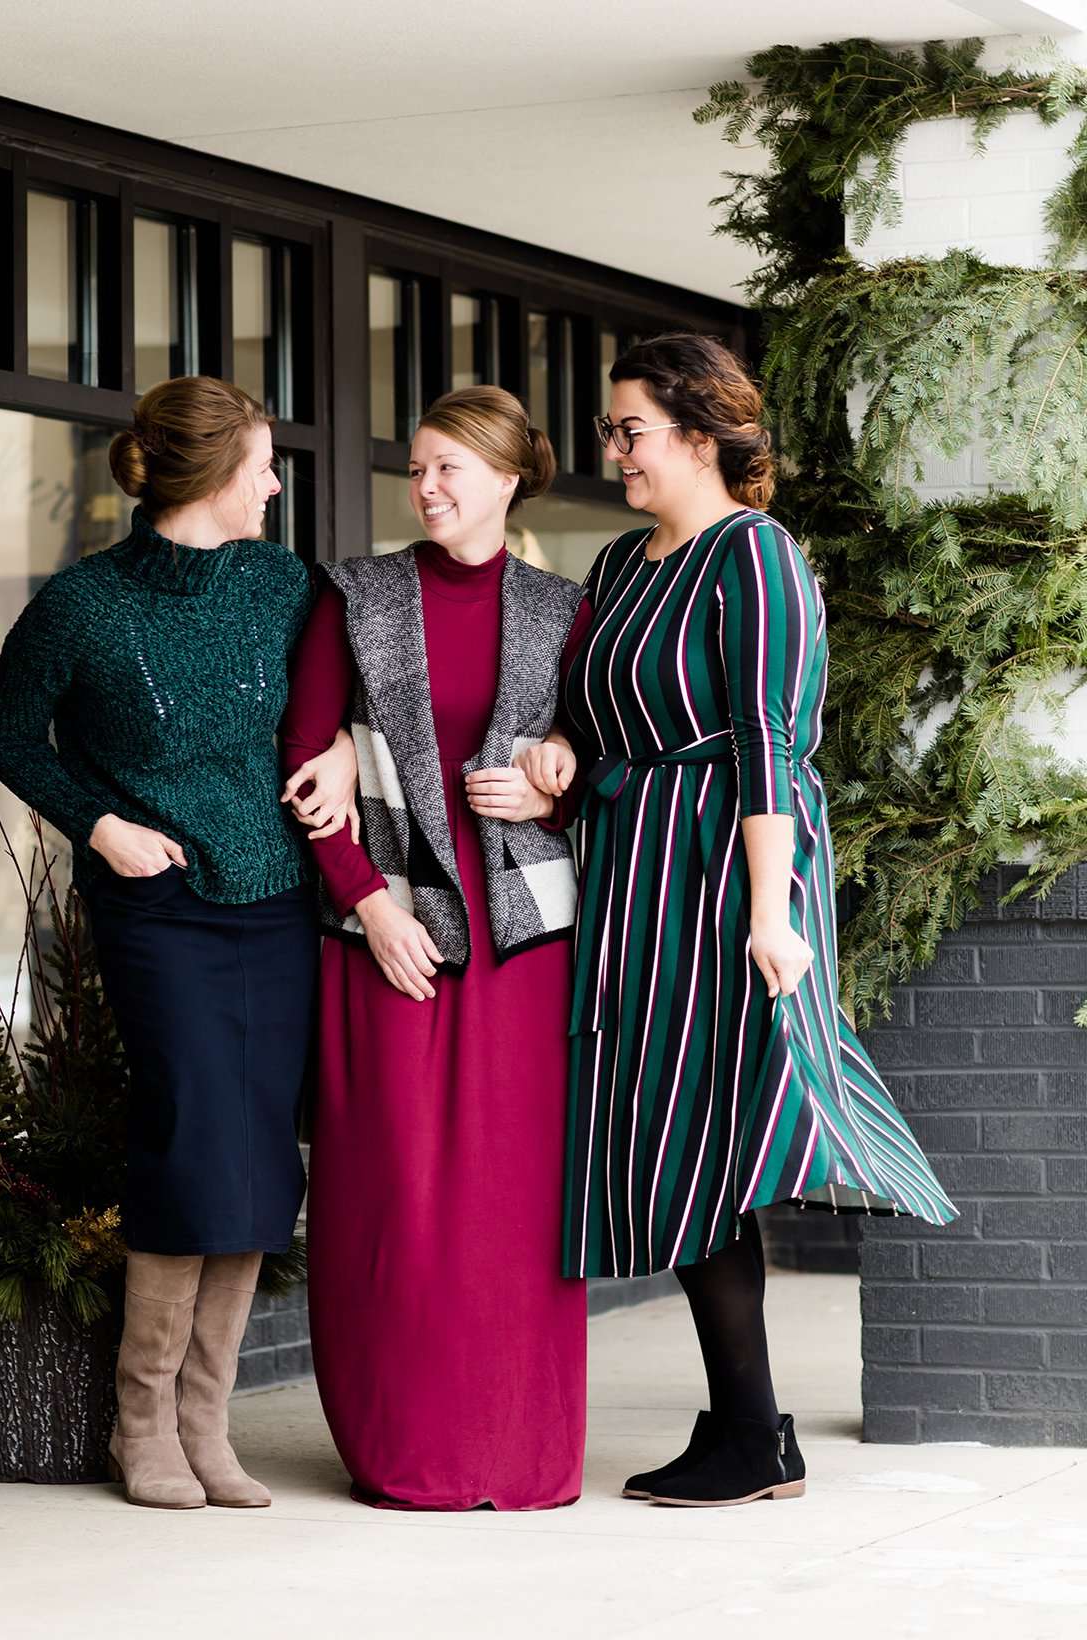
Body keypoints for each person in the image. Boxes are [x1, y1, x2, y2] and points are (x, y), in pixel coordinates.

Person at [522, 333, 957, 1509]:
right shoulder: (618, 562)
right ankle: (751, 1426)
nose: (613, 450)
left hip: (725, 867)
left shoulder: (754, 556)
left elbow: (768, 738)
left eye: (631, 430)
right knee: (663, 1132)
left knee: (708, 1132)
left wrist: (773, 912)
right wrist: (562, 750)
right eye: (611, 430)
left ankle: (752, 1429)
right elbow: (590, 712)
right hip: (631, 865)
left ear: (700, 435)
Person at [0, 376, 354, 1511]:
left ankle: (208, 1417)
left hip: (276, 897)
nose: (278, 482)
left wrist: (337, 753)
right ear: (214, 477)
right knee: (190, 1128)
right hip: (159, 905)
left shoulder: (286, 584)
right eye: (265, 463)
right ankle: (140, 1418)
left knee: (256, 1147)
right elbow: (8, 733)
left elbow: (338, 703)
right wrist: (99, 821)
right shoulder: (82, 606)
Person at [281, 385, 591, 1511]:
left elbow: (603, 763)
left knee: (515, 1210)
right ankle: (406, 1448)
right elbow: (308, 764)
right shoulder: (356, 596)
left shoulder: (566, 610)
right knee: (397, 1202)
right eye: (418, 467)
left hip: (522, 950)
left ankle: (523, 1450)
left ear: (511, 478)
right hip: (391, 940)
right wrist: (369, 904)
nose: (429, 487)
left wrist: (554, 779)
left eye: (453, 466)